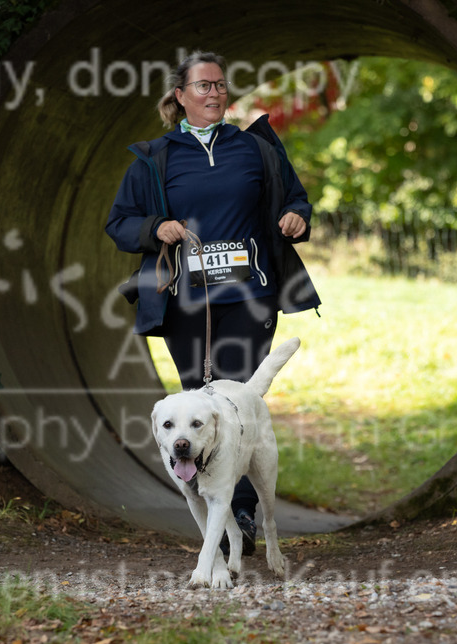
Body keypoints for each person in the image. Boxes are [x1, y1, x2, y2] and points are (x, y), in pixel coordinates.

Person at [105, 50, 321, 554]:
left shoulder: (256, 148)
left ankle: (239, 513)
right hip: (186, 300)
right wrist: (155, 227)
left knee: (239, 399)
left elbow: (296, 198)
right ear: (180, 97)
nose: (215, 94)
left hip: (251, 292)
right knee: (196, 402)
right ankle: (213, 510)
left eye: (221, 85)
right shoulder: (156, 158)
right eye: (203, 86)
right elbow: (119, 223)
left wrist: (295, 217)